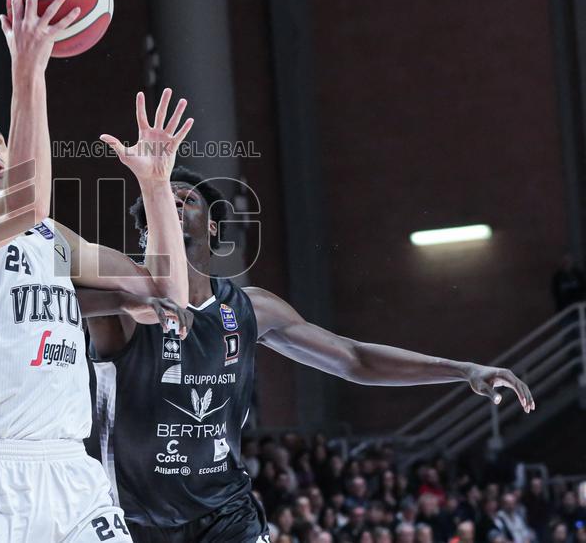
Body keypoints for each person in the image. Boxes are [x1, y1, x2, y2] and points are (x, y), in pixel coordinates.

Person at [87, 166, 536, 542]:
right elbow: (52, 288)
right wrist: (125, 298)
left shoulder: (250, 308)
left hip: (225, 515)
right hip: (131, 518)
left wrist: (463, 370)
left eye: (185, 199)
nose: (174, 205)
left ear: (214, 228)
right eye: (161, 201)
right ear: (147, 229)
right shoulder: (118, 307)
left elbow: (354, 359)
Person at [0, 0, 195, 542]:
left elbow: (167, 289)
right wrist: (28, 68)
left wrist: (156, 185)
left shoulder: (50, 239)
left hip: (73, 468)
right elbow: (26, 202)